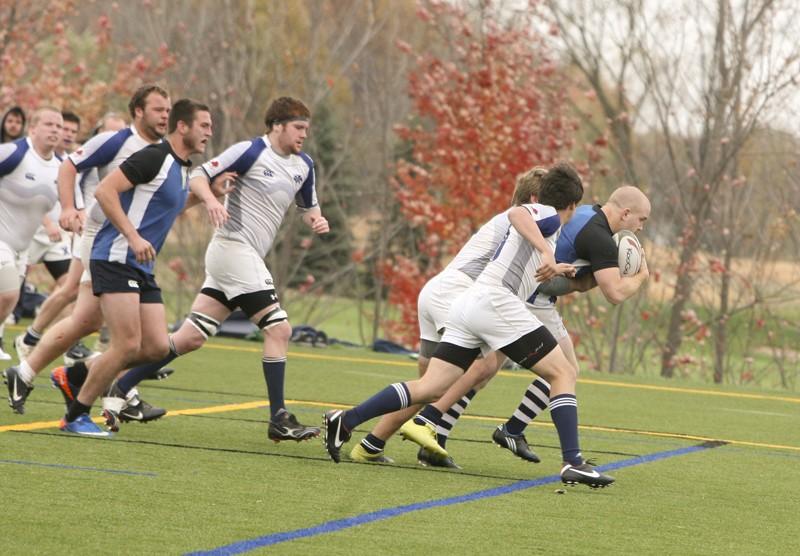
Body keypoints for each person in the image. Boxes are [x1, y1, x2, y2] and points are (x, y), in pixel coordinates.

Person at [325, 164, 615, 488]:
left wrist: (554, 265)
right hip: (493, 301)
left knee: (431, 388)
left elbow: (519, 250)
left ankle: (347, 420)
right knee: (563, 372)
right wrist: (546, 250)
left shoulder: (547, 224)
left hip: (469, 305)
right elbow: (518, 215)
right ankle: (572, 462)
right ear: (573, 206)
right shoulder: (547, 213)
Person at [106, 96, 327, 443]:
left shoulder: (305, 165)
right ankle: (279, 418)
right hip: (233, 249)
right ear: (278, 125)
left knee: (190, 337)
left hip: (240, 256)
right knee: (279, 330)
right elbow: (198, 174)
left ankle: (121, 386)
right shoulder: (250, 151)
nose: (303, 135)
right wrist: (211, 200)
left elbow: (308, 206)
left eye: (306, 129)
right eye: (298, 128)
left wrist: (316, 219)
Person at [408, 186, 652, 466]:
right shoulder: (600, 237)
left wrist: (587, 277)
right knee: (543, 370)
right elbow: (615, 294)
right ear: (626, 213)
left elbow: (581, 282)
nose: (641, 228)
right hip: (530, 299)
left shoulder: (587, 214)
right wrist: (641, 276)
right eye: (642, 220)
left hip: (531, 295)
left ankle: (460, 429)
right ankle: (441, 423)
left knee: (493, 369)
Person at [348, 167, 549, 468]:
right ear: (535, 200)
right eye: (557, 205)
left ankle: (371, 444)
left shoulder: (519, 224)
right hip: (455, 296)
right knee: (483, 364)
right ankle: (420, 425)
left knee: (428, 385)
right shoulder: (522, 221)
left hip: (440, 293)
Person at [58, 97, 224, 436]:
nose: (210, 132)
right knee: (127, 344)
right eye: (204, 126)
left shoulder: (181, 169)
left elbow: (166, 208)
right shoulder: (153, 157)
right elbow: (105, 191)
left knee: (157, 347)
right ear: (183, 127)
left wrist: (209, 194)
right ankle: (76, 416)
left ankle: (76, 374)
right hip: (115, 257)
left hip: (141, 268)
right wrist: (132, 237)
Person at [3, 85, 170, 417]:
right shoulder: (116, 140)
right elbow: (70, 167)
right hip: (102, 237)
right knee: (118, 326)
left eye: (168, 110)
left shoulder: (163, 150)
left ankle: (28, 371)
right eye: (158, 109)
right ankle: (119, 393)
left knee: (88, 319)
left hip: (122, 241)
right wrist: (68, 208)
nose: (166, 115)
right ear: (139, 111)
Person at [14, 113, 126, 365]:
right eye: (111, 132)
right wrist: (74, 210)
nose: (117, 137)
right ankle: (114, 351)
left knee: (70, 288)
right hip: (82, 230)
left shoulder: (124, 155)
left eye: (121, 132)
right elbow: (70, 177)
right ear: (98, 132)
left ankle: (35, 339)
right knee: (75, 291)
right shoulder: (89, 155)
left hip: (96, 232)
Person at [0, 107, 63, 375]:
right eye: (49, 124)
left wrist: (74, 215)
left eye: (58, 126)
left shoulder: (61, 167)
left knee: (9, 302)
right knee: (9, 293)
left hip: (21, 248)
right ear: (33, 128)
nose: (55, 130)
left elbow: (73, 206)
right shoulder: (14, 152)